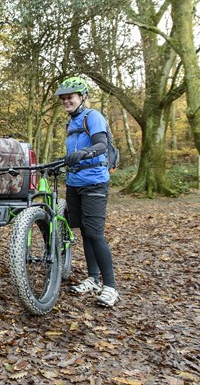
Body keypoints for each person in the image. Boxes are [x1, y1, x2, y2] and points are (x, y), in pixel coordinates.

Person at [55, 76, 119, 307]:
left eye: (70, 97)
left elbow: (101, 145)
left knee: (95, 233)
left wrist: (83, 154)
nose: (66, 101)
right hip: (74, 182)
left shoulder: (93, 116)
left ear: (82, 97)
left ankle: (110, 287)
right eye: (63, 98)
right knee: (83, 231)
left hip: (94, 182)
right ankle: (93, 278)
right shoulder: (70, 122)